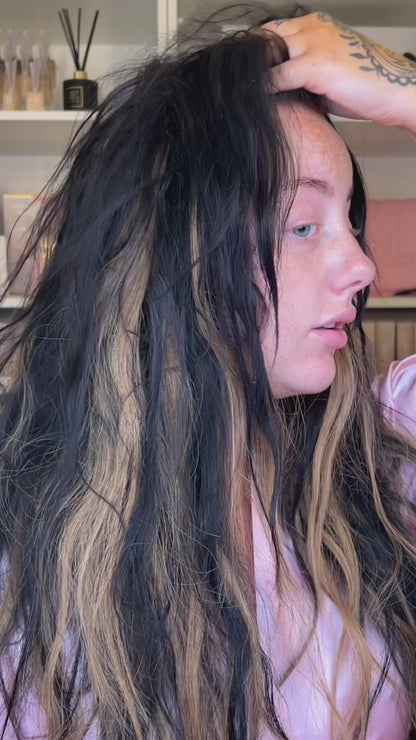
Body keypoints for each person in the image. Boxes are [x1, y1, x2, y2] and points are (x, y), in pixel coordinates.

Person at [0, 7, 415, 739]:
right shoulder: (25, 548)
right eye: (302, 225)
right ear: (172, 257)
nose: (362, 266)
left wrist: (406, 93)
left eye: (349, 221)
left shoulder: (385, 460)